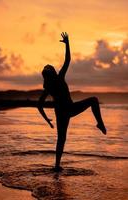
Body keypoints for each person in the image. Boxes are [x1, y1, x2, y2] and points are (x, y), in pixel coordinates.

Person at [38, 32, 106, 172]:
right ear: (52, 73)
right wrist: (67, 43)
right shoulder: (59, 78)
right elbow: (67, 60)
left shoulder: (48, 87)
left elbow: (39, 105)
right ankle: (99, 123)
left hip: (61, 113)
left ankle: (57, 165)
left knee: (61, 139)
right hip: (69, 109)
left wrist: (47, 120)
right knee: (94, 100)